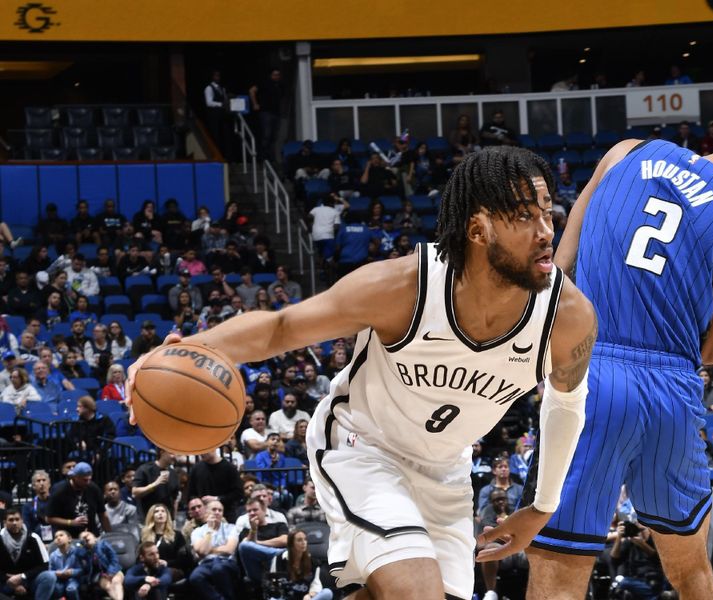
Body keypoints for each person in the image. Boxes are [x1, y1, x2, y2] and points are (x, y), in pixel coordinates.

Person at [127, 145, 596, 599]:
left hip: (445, 471)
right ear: (478, 230)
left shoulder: (569, 317)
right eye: (523, 216)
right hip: (363, 447)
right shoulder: (403, 286)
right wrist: (186, 350)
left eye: (547, 210)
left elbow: (567, 402)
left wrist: (543, 506)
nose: (545, 230)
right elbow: (281, 327)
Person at [481, 127, 713, 599]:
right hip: (671, 389)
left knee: (558, 570)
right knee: (692, 571)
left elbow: (559, 266)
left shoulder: (627, 150)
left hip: (593, 371)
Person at [0, 508, 55, 600]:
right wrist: (7, 579)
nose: (14, 523)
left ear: (22, 521)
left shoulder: (33, 537)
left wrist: (22, 576)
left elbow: (45, 565)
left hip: (29, 580)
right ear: (5, 522)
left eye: (17, 519)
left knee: (49, 577)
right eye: (11, 520)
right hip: (5, 582)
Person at [189, 499, 239, 600]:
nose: (217, 512)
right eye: (214, 510)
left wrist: (208, 549)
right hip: (206, 563)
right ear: (206, 512)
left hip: (227, 561)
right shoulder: (197, 532)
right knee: (195, 577)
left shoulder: (231, 528)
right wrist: (210, 531)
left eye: (220, 510)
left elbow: (229, 550)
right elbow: (202, 552)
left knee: (218, 569)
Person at [46, 462, 111, 539]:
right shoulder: (59, 491)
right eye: (85, 480)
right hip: (68, 538)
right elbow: (49, 519)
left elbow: (102, 515)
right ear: (74, 477)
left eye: (89, 479)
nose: (88, 483)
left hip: (91, 536)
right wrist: (71, 522)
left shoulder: (94, 489)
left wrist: (109, 536)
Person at [267, 529, 334, 600]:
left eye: (305, 539)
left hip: (303, 598)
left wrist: (310, 595)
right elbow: (273, 582)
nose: (304, 542)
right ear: (291, 544)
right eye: (299, 540)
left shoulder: (313, 562)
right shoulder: (279, 559)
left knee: (327, 593)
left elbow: (315, 585)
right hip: (285, 597)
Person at [237, 496, 289, 583]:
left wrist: (257, 543)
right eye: (249, 511)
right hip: (257, 571)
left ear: (264, 510)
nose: (252, 513)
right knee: (244, 545)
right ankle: (277, 555)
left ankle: (275, 557)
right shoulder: (246, 531)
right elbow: (245, 547)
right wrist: (253, 529)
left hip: (278, 566)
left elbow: (284, 540)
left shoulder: (279, 525)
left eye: (255, 510)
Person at [140, 504, 189, 581]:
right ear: (151, 516)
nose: (160, 513)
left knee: (162, 573)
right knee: (131, 574)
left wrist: (166, 563)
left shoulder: (177, 535)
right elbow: (140, 557)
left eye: (163, 511)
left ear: (167, 515)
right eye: (156, 511)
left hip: (172, 569)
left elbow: (183, 559)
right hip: (151, 569)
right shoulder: (145, 536)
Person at [132, 449, 180, 519]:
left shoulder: (173, 473)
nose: (174, 457)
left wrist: (173, 519)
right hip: (147, 520)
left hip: (166, 522)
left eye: (176, 454)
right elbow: (135, 493)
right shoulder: (145, 469)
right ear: (162, 452)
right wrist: (155, 484)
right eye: (171, 453)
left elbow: (175, 500)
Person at [78, 531, 124, 600]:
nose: (86, 537)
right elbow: (80, 556)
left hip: (115, 570)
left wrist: (110, 572)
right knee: (108, 586)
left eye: (88, 535)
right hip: (101, 575)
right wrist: (83, 546)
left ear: (94, 537)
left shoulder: (103, 544)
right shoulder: (85, 552)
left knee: (116, 581)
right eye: (83, 538)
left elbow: (114, 558)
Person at [48, 529, 83, 600]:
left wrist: (72, 572)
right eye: (56, 537)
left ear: (69, 539)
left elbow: (82, 569)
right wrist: (56, 573)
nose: (58, 538)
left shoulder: (76, 552)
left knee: (71, 589)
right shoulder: (53, 555)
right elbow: (50, 571)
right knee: (56, 589)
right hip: (59, 579)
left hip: (73, 578)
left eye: (61, 535)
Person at [23, 471, 53, 544]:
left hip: (56, 540)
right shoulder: (28, 506)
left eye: (44, 480)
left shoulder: (56, 502)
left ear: (49, 484)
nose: (41, 483)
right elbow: (27, 528)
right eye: (38, 481)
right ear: (33, 486)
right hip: (37, 542)